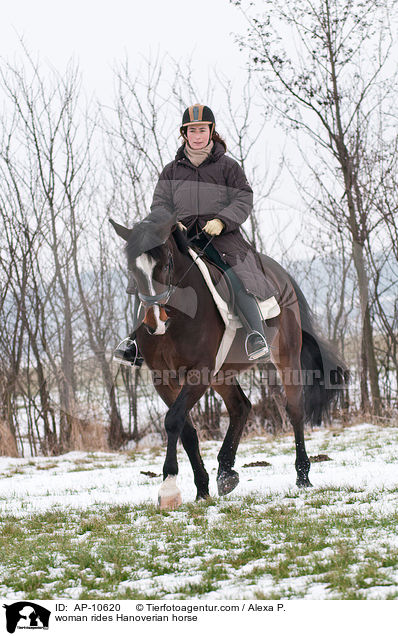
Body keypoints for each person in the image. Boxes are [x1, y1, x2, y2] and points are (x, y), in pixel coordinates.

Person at [114, 103, 275, 367]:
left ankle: (256, 336)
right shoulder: (171, 171)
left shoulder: (228, 167)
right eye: (192, 131)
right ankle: (136, 342)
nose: (197, 135)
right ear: (184, 134)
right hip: (182, 237)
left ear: (211, 132)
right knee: (147, 275)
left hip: (221, 238)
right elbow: (160, 205)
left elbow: (243, 199)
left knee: (234, 274)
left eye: (202, 130)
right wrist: (169, 223)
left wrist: (223, 221)